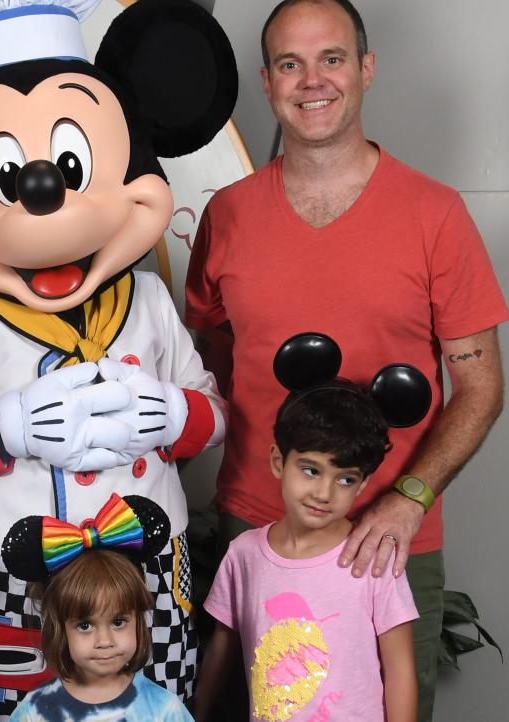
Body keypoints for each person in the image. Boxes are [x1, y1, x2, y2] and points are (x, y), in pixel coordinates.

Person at [184, 1, 507, 717]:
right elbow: (209, 354)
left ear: (365, 70)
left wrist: (406, 501)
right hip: (259, 526)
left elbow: (481, 386)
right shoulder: (228, 215)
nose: (311, 81)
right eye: (290, 64)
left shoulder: (435, 213)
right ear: (267, 82)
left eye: (331, 58)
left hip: (388, 539)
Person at [193, 381, 418, 722]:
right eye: (311, 470)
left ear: (364, 484)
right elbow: (222, 647)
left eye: (345, 479)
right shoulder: (244, 555)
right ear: (278, 462)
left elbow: (400, 669)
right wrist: (196, 712)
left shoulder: (372, 558)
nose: (324, 492)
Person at [9, 549, 193, 722]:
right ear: (60, 629)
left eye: (118, 622)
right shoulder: (34, 711)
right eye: (85, 625)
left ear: (138, 622)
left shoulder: (165, 709)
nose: (105, 641)